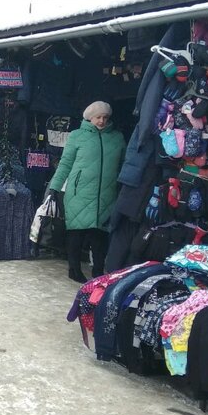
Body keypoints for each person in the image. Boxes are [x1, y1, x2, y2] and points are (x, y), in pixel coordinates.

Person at [47, 101, 125, 284]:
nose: (102, 121)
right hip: (78, 193)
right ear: (90, 118)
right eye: (98, 117)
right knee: (77, 232)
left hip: (106, 194)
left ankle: (98, 270)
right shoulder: (77, 136)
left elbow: (123, 164)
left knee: (100, 236)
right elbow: (65, 164)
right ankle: (73, 269)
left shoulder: (117, 138)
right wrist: (54, 187)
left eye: (105, 117)